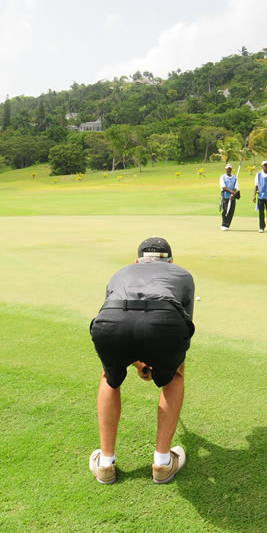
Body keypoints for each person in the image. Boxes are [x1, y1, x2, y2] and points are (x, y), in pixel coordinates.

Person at [89, 237, 195, 485]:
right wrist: (155, 366)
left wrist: (138, 363)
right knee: (175, 374)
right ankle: (162, 463)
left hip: (110, 323)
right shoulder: (182, 274)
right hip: (165, 322)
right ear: (170, 261)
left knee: (109, 376)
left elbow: (122, 318)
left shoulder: (121, 272)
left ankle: (105, 464)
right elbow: (183, 325)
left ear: (137, 261)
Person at [253, 160, 267, 233]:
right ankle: (261, 227)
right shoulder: (258, 174)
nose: (266, 166)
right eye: (264, 165)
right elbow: (256, 185)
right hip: (260, 196)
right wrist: (254, 195)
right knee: (261, 212)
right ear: (262, 166)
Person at [219, 162, 239, 230]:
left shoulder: (234, 178)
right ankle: (223, 224)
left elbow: (236, 187)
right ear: (225, 169)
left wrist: (233, 194)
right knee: (225, 211)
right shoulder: (222, 177)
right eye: (227, 169)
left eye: (230, 169)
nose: (228, 170)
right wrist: (231, 192)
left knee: (231, 212)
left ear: (231, 169)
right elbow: (224, 187)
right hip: (225, 197)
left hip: (232, 198)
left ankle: (227, 225)